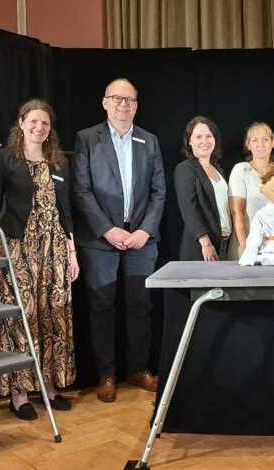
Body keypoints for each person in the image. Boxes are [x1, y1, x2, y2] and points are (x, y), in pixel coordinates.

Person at [0, 99, 78, 420]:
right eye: (33, 121)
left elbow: (67, 212)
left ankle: (48, 384)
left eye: (45, 123)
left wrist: (72, 253)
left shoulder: (58, 162)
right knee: (21, 317)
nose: (39, 128)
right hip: (16, 248)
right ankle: (19, 393)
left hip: (55, 249)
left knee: (53, 314)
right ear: (20, 123)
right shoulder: (4, 158)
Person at [71, 78, 166, 403]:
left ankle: (138, 369)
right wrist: (107, 230)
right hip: (100, 240)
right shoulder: (87, 139)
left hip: (142, 238)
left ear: (136, 105)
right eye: (117, 98)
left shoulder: (149, 141)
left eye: (130, 100)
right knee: (101, 306)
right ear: (105, 103)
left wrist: (144, 231)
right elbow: (81, 191)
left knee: (141, 306)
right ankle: (107, 374)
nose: (123, 104)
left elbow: (158, 192)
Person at [174, 116, 231, 261]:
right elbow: (189, 209)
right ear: (190, 141)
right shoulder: (185, 169)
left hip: (224, 243)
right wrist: (205, 242)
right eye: (198, 137)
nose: (204, 141)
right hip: (201, 247)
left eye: (208, 136)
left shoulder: (218, 169)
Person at [228, 122, 274, 259]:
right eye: (255, 140)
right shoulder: (241, 170)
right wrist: (245, 248)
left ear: (272, 143)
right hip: (248, 245)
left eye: (265, 139)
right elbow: (236, 213)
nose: (260, 144)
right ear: (249, 145)